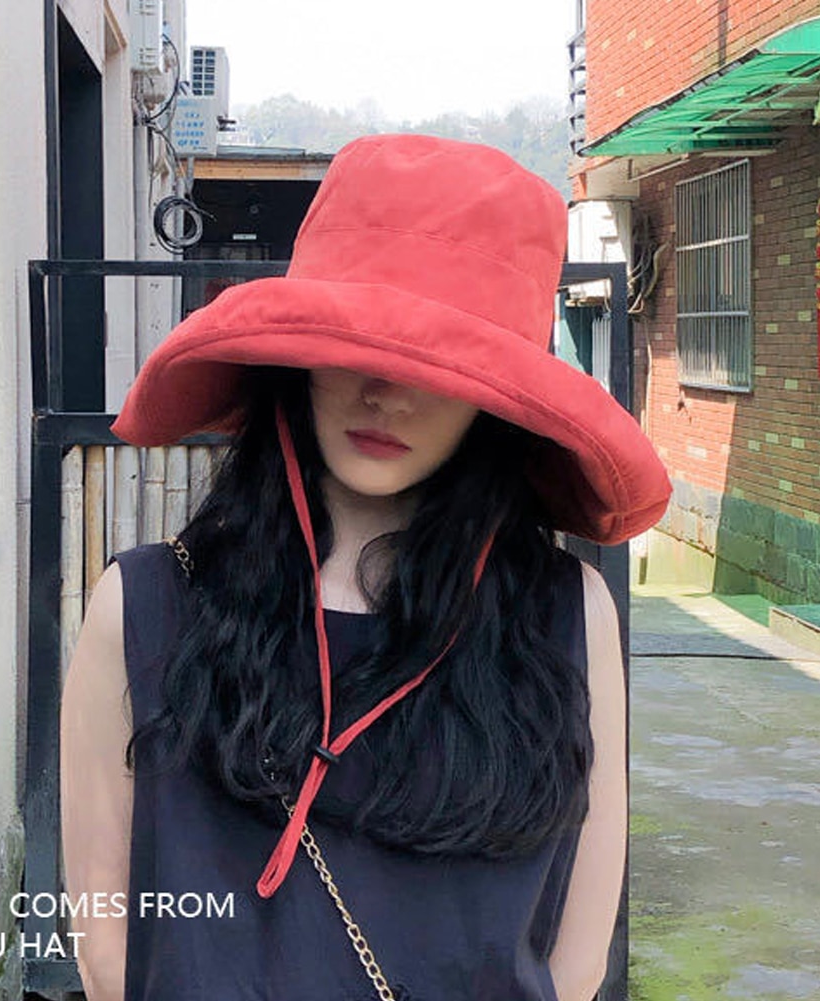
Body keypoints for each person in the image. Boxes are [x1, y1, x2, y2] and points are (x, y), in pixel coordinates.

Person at [60, 134, 671, 1001]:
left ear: (497, 401)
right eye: (356, 348)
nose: (387, 394)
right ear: (297, 356)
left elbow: (575, 958)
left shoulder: (566, 615)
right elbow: (108, 945)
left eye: (440, 366)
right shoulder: (144, 604)